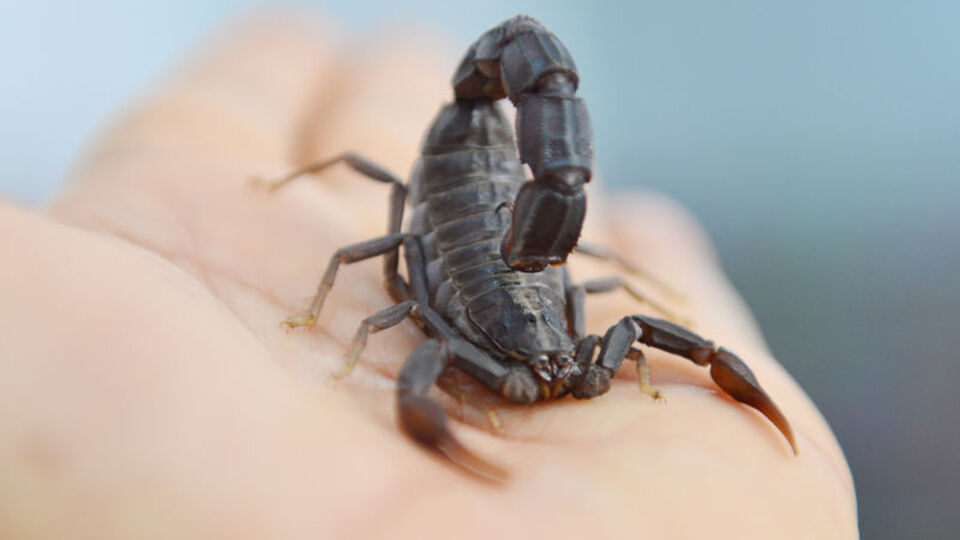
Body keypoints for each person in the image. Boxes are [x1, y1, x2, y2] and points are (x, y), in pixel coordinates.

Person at [0, 12, 857, 539]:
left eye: (595, 361)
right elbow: (402, 319)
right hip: (450, 193)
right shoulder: (457, 331)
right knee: (396, 255)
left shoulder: (570, 325)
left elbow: (622, 315)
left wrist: (645, 349)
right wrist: (323, 327)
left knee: (579, 277)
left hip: (492, 197)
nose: (567, 374)